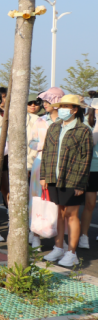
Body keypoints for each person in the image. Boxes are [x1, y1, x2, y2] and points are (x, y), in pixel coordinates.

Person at [42, 95, 93, 267]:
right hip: (53, 178)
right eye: (61, 106)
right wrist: (44, 176)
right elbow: (46, 152)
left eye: (66, 106)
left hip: (72, 178)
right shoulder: (54, 127)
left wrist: (80, 183)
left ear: (75, 109)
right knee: (59, 213)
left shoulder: (83, 130)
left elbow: (85, 159)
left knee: (71, 215)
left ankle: (72, 252)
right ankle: (59, 247)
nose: (62, 109)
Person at [27, 87, 64, 250]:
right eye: (44, 101)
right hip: (41, 162)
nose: (44, 104)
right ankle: (35, 235)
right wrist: (46, 145)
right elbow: (32, 142)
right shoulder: (40, 120)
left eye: (48, 101)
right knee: (37, 198)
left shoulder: (65, 121)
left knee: (58, 201)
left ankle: (60, 237)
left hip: (60, 164)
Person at [80, 96, 98, 248]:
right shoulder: (86, 123)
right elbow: (92, 143)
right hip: (92, 168)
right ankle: (84, 235)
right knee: (90, 203)